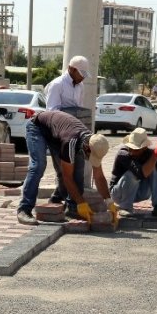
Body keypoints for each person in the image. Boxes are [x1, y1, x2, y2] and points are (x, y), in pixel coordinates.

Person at [17, 110, 112, 226]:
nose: (90, 159)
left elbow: (99, 177)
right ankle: (24, 209)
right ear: (87, 147)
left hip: (57, 133)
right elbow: (68, 178)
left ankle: (69, 207)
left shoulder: (94, 144)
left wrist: (109, 201)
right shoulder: (70, 142)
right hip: (37, 127)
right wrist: (81, 203)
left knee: (77, 171)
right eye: (90, 156)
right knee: (38, 166)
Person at [44, 55, 91, 211]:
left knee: (78, 167)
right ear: (71, 69)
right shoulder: (57, 85)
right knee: (63, 170)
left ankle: (70, 202)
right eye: (81, 74)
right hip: (58, 134)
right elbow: (52, 112)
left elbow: (79, 109)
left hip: (75, 134)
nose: (83, 78)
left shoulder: (80, 86)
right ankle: (68, 202)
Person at [108, 128, 157, 220]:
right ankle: (125, 207)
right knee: (132, 174)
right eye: (131, 148)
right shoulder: (123, 154)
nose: (132, 152)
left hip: (139, 193)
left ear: (144, 148)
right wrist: (156, 154)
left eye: (136, 149)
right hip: (118, 193)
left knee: (152, 167)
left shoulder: (150, 154)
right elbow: (140, 174)